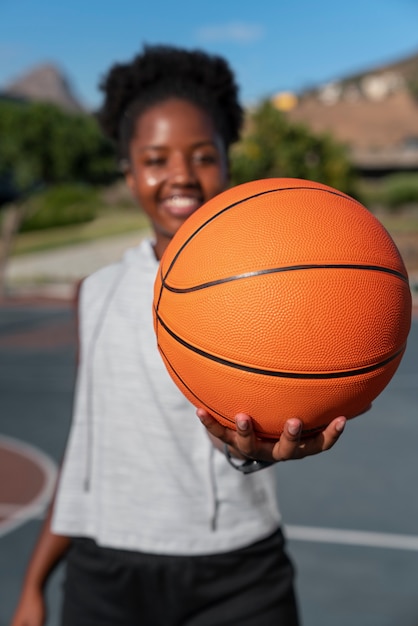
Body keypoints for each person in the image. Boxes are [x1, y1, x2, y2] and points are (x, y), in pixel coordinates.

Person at [11, 44, 346, 626]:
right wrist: (35, 582)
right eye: (156, 157)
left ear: (227, 163)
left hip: (239, 572)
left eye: (202, 155)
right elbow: (88, 443)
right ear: (128, 169)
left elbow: (244, 431)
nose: (181, 175)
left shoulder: (269, 280)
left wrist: (255, 451)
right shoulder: (96, 292)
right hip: (106, 570)